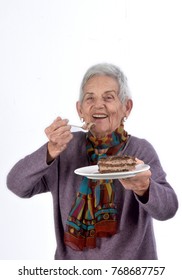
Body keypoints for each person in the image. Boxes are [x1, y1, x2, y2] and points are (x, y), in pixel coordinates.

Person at [7, 63, 178, 260]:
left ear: (126, 108)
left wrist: (144, 187)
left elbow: (168, 209)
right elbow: (17, 185)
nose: (98, 105)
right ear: (80, 110)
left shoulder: (139, 151)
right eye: (90, 98)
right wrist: (50, 150)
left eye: (109, 97)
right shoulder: (65, 149)